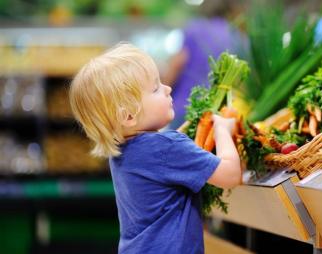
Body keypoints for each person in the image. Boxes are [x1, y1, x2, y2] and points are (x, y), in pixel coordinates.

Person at [69, 43, 242, 254]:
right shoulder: (166, 147)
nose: (168, 88)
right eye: (156, 88)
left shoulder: (123, 153)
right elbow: (231, 174)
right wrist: (222, 129)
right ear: (129, 116)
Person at [162, 0, 247, 129]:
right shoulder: (238, 36)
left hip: (185, 107)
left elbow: (177, 64)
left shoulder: (195, 28)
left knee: (176, 144)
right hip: (219, 113)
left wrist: (161, 93)